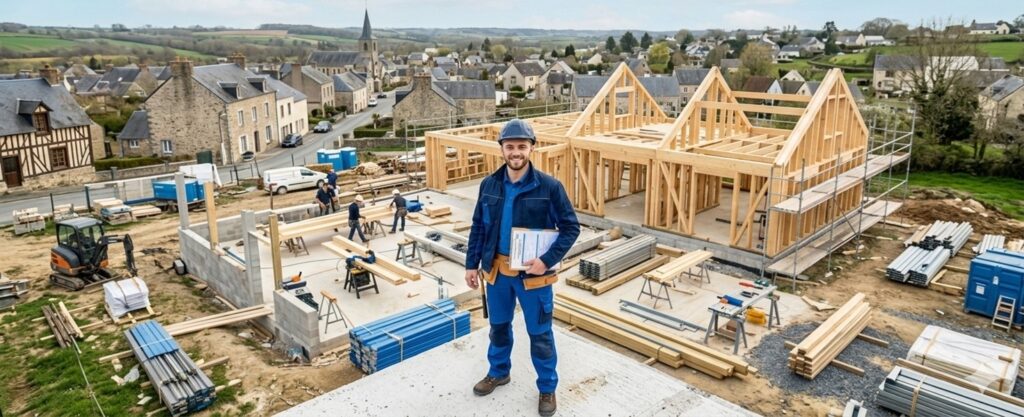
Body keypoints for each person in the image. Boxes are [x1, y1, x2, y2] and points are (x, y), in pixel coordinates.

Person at [464, 119, 580, 417]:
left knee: (540, 335)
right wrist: (471, 264)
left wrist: (546, 260)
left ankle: (547, 387)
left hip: (533, 277)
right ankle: (498, 372)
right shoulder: (489, 184)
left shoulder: (549, 187)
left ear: (531, 148)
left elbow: (571, 228)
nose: (515, 152)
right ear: (501, 149)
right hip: (497, 273)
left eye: (521, 146)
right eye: (510, 146)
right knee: (498, 328)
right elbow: (479, 226)